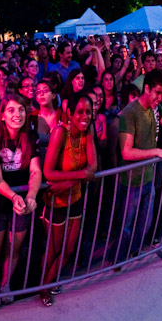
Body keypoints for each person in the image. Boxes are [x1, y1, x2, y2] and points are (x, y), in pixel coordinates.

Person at [110, 70, 162, 264]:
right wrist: (156, 151)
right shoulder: (130, 113)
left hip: (148, 178)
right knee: (126, 225)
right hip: (131, 181)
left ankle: (133, 252)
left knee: (145, 223)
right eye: (157, 93)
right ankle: (117, 259)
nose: (159, 97)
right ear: (146, 88)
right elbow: (126, 152)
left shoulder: (157, 108)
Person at [0, 95, 41, 307]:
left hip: (22, 202)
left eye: (21, 110)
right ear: (2, 116)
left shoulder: (30, 136)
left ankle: (6, 284)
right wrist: (15, 196)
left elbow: (35, 171)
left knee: (14, 249)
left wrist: (31, 196)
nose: (17, 115)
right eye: (11, 110)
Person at [40, 92, 97, 306]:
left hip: (75, 198)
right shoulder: (59, 133)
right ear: (70, 114)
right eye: (80, 112)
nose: (85, 116)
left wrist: (70, 182)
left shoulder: (88, 131)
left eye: (88, 112)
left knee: (69, 249)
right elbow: (48, 173)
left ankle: (47, 283)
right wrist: (81, 175)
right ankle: (43, 288)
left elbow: (93, 167)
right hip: (55, 204)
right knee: (53, 250)